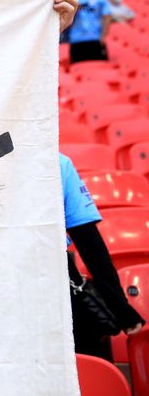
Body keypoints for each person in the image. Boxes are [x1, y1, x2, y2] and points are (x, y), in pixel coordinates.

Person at [60, 153, 144, 360]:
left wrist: (120, 307)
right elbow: (89, 243)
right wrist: (120, 307)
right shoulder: (56, 162)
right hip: (54, 284)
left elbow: (89, 241)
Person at [69, 0, 112, 64]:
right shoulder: (72, 0)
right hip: (76, 41)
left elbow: (107, 18)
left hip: (95, 40)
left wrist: (103, 37)